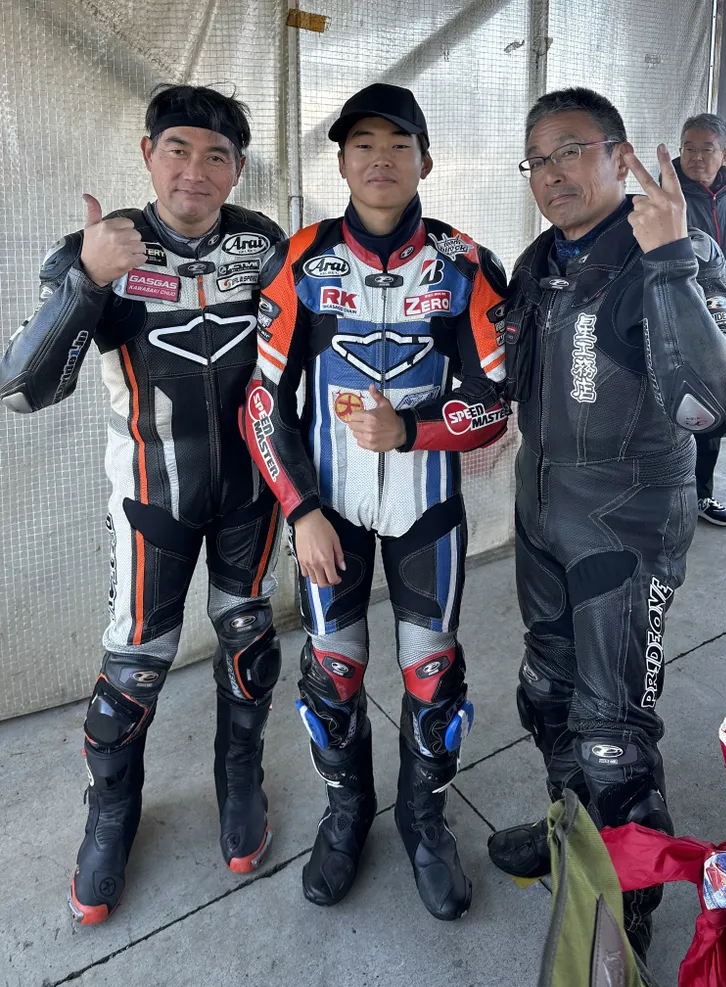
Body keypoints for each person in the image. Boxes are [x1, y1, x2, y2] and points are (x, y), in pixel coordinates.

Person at [0, 85, 286, 924]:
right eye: (178, 150)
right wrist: (87, 280)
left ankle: (240, 778)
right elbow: (21, 389)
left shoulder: (263, 242)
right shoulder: (104, 245)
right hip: (151, 500)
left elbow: (298, 359)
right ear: (146, 153)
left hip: (253, 494)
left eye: (217, 155)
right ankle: (111, 812)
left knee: (250, 641)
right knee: (133, 667)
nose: (196, 171)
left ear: (238, 167)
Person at [241, 83, 509, 920]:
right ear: (342, 162)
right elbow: (263, 403)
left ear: (426, 160)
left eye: (399, 145)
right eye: (363, 144)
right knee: (333, 674)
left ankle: (425, 823)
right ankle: (347, 814)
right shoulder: (301, 261)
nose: (381, 160)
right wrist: (300, 512)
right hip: (330, 516)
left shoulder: (466, 264)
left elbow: (496, 400)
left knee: (433, 678)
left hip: (429, 513)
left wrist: (412, 431)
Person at [486, 87, 726, 961]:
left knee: (612, 732)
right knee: (546, 694)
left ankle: (629, 902)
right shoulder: (538, 262)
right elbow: (506, 379)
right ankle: (575, 837)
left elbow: (708, 403)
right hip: (542, 515)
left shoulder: (674, 247)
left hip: (626, 529)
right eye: (539, 158)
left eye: (572, 150)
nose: (553, 172)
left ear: (619, 156)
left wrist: (668, 262)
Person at [676, 112, 726, 525]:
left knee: (715, 413)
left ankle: (701, 495)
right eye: (689, 148)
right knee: (672, 414)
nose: (696, 157)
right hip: (678, 329)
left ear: (724, 154)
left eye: (706, 149)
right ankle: (666, 499)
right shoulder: (665, 200)